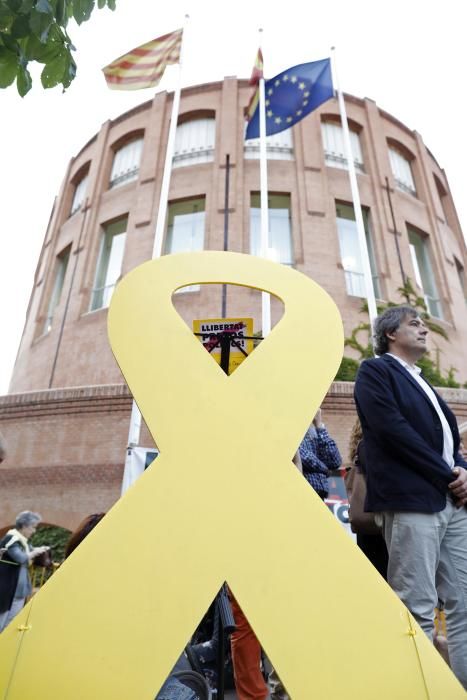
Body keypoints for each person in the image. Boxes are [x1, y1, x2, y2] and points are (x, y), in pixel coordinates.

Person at [354, 305, 467, 689]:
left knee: (464, 605)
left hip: (452, 503)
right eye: (414, 323)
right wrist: (447, 474)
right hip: (412, 501)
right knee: (416, 607)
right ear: (391, 334)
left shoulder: (423, 382)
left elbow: (450, 444)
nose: (423, 329)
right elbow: (391, 431)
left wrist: (463, 469)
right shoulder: (376, 371)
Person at [347, 418, 388, 579]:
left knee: (370, 570)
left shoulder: (359, 448)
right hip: (380, 518)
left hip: (364, 520)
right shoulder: (371, 448)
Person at [0, 511, 50, 632]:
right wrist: (34, 553)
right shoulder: (12, 539)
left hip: (18, 592)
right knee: (2, 622)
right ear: (24, 526)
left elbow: (29, 551)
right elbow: (21, 557)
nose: (34, 531)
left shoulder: (22, 540)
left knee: (10, 623)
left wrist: (40, 550)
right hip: (8, 591)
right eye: (33, 527)